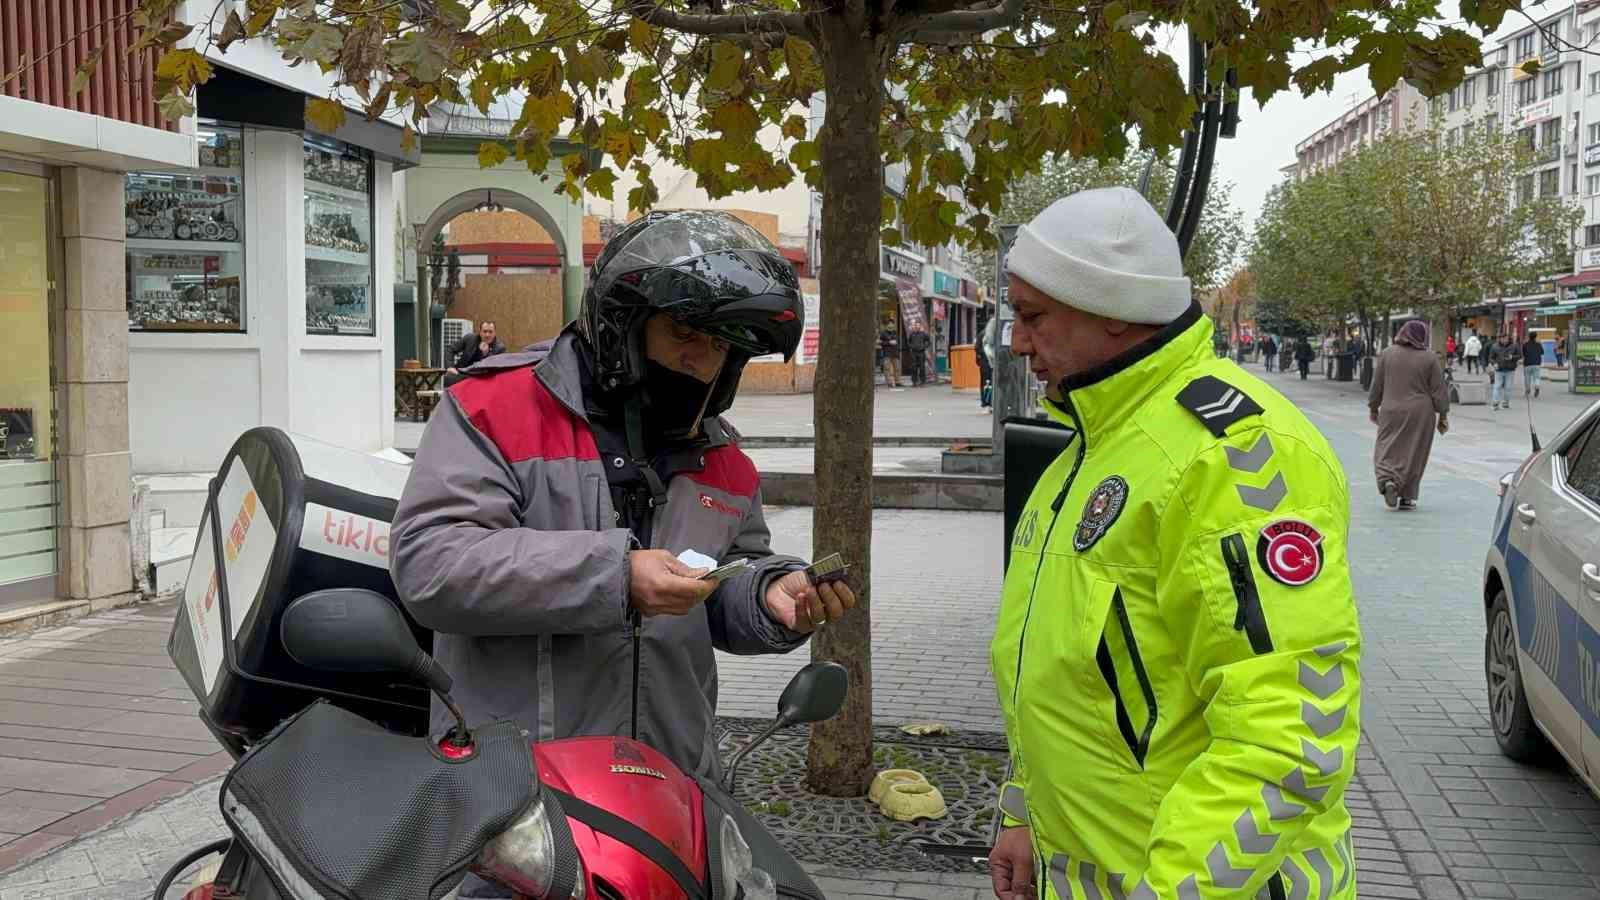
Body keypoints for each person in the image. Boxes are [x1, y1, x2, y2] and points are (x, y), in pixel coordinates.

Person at [390, 212, 856, 899]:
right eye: (685, 333)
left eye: (724, 345)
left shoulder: (722, 456)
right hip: (513, 807)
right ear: (622, 325)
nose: (702, 360)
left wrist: (772, 596)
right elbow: (432, 563)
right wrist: (616, 575)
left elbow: (727, 578)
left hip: (666, 800)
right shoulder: (494, 406)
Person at [988, 187, 1360, 900]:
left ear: (1115, 314)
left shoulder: (1238, 456)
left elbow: (1290, 738)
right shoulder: (1089, 447)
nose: (1017, 342)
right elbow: (1058, 674)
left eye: (1033, 317)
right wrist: (1023, 811)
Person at [1369, 321, 1449, 512]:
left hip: (1390, 409)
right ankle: (1407, 496)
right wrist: (1443, 414)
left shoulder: (1387, 354)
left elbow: (1377, 384)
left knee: (1386, 446)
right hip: (1420, 413)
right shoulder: (1429, 358)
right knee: (1414, 452)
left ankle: (1388, 479)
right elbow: (1439, 390)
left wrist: (1373, 407)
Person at [1490, 333, 1520, 410]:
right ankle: (1495, 402)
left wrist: (1512, 357)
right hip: (1499, 369)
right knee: (1497, 386)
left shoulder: (1514, 346)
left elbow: (1520, 355)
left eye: (1505, 338)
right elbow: (1491, 358)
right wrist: (1494, 363)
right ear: (1499, 339)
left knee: (1508, 387)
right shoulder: (1494, 346)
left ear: (1508, 338)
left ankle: (1505, 402)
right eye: (1502, 338)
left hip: (1510, 369)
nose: (1504, 340)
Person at [978, 315, 995, 408]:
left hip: (984, 364)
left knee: (986, 383)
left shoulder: (981, 334)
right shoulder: (986, 335)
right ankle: (989, 401)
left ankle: (986, 401)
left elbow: (977, 348)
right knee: (990, 383)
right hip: (988, 364)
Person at [879, 321, 902, 388]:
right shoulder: (883, 333)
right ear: (887, 325)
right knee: (887, 368)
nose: (891, 325)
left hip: (895, 353)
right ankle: (888, 382)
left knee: (897, 368)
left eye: (892, 324)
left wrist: (896, 343)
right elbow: (880, 342)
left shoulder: (895, 332)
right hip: (887, 353)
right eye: (889, 324)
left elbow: (898, 341)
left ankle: (897, 382)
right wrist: (889, 342)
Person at [1523, 332, 1545, 399]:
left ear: (1529, 337)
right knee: (1537, 377)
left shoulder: (1525, 344)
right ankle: (1537, 386)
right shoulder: (1538, 344)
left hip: (1528, 363)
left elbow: (1524, 353)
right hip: (1536, 363)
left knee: (1527, 378)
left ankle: (1528, 390)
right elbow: (1542, 352)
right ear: (1535, 337)